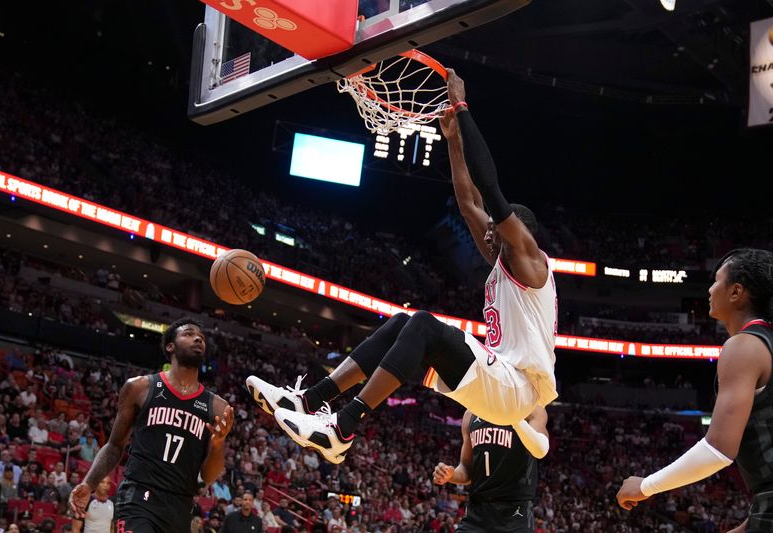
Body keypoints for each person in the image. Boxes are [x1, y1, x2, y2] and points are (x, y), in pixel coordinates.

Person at [246, 68, 557, 464]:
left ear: (518, 234)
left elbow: (489, 190)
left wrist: (462, 107)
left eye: (496, 230)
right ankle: (310, 400)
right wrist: (453, 141)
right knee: (401, 324)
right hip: (498, 380)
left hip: (517, 388)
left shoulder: (530, 260)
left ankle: (343, 426)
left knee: (425, 323)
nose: (487, 235)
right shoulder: (502, 257)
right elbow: (469, 204)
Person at [616, 248, 773, 532]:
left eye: (716, 280)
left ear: (736, 291)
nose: (710, 289)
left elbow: (718, 449)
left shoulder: (744, 346)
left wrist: (646, 486)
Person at [69, 317, 235, 533]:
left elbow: (207, 477)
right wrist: (89, 484)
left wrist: (218, 444)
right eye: (188, 334)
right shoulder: (140, 388)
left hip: (180, 504)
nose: (197, 339)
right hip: (138, 497)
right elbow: (114, 446)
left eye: (201, 337)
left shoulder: (217, 407)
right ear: (170, 346)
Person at [434, 406, 549, 532]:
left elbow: (540, 450)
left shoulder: (531, 409)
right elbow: (466, 469)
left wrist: (516, 418)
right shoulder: (470, 414)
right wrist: (450, 475)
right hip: (477, 512)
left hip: (515, 513)